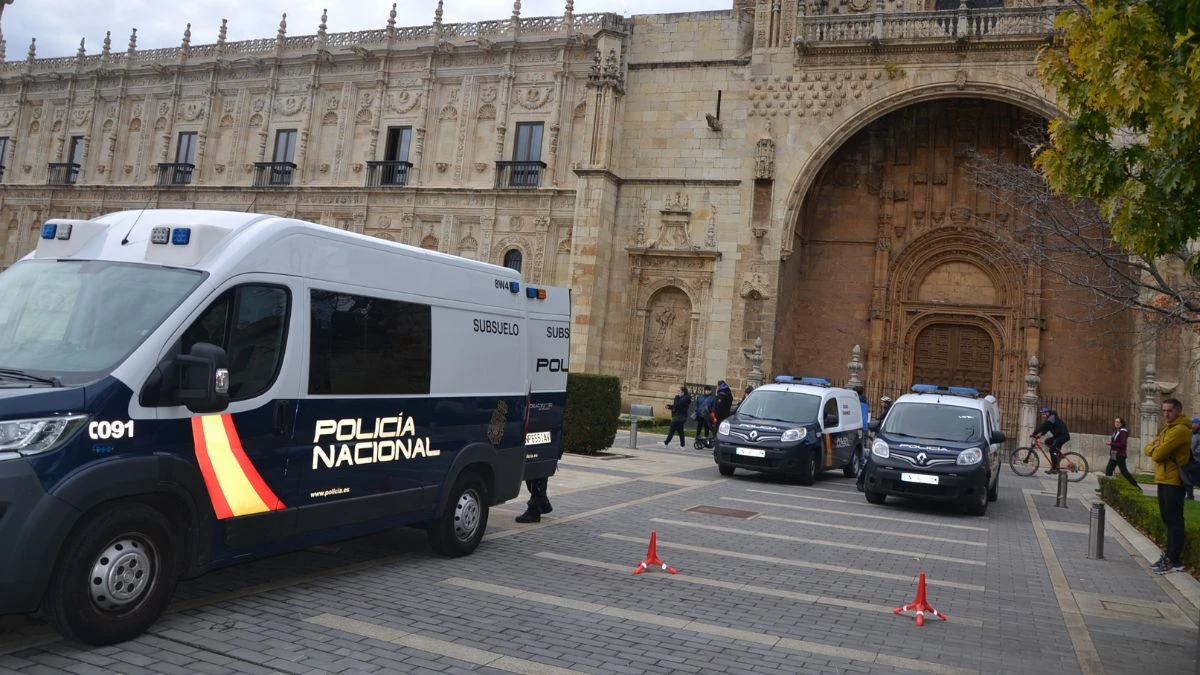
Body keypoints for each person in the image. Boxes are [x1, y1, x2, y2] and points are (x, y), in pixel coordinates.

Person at [1144, 398, 1192, 574]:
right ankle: (1169, 556)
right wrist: (1156, 448)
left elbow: (1158, 454)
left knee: (1174, 520)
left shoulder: (1179, 430)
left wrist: (1156, 448)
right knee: (1168, 519)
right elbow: (1147, 449)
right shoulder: (1167, 429)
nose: (1165, 414)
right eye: (1163, 411)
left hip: (1174, 480)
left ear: (1178, 411)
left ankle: (1174, 560)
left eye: (1169, 411)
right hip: (1163, 478)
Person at [1099, 417, 1138, 490]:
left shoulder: (1123, 432)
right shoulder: (1116, 432)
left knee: (1124, 471)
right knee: (1108, 470)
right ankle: (1105, 488)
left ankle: (1136, 485)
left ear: (1121, 424)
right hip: (1114, 454)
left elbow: (1122, 444)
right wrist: (1112, 444)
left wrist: (1111, 443)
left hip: (1120, 455)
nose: (1116, 423)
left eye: (1118, 422)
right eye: (1115, 422)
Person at [1032, 406, 1070, 474]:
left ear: (1047, 413)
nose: (1042, 415)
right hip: (1058, 436)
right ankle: (1057, 454)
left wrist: (1034, 433)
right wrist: (1039, 435)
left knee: (1052, 450)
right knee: (1047, 441)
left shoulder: (1052, 417)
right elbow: (1046, 429)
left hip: (1063, 436)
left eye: (1043, 413)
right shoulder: (1049, 419)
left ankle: (1054, 468)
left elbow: (1043, 426)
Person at [1189, 417, 1200, 500]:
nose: (1192, 424)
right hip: (1190, 459)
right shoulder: (1191, 433)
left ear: (1197, 424)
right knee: (1188, 478)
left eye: (1193, 423)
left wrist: (1194, 452)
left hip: (1197, 459)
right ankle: (1190, 496)